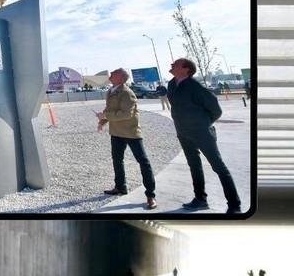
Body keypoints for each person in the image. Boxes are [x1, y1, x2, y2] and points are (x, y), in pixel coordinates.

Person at [167, 57, 241, 214]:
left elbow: (216, 110)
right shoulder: (172, 84)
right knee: (194, 165)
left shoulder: (195, 86)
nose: (172, 65)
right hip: (183, 133)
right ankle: (200, 199)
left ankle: (234, 205)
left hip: (202, 133)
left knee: (218, 167)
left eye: (176, 64)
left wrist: (203, 124)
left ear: (186, 69)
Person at [97, 68, 156, 210]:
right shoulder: (111, 91)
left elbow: (126, 114)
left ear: (121, 78)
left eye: (113, 74)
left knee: (143, 162)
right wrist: (102, 122)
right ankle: (120, 187)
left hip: (131, 132)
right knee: (117, 160)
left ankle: (150, 196)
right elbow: (109, 109)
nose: (110, 75)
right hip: (116, 132)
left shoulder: (127, 93)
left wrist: (105, 117)